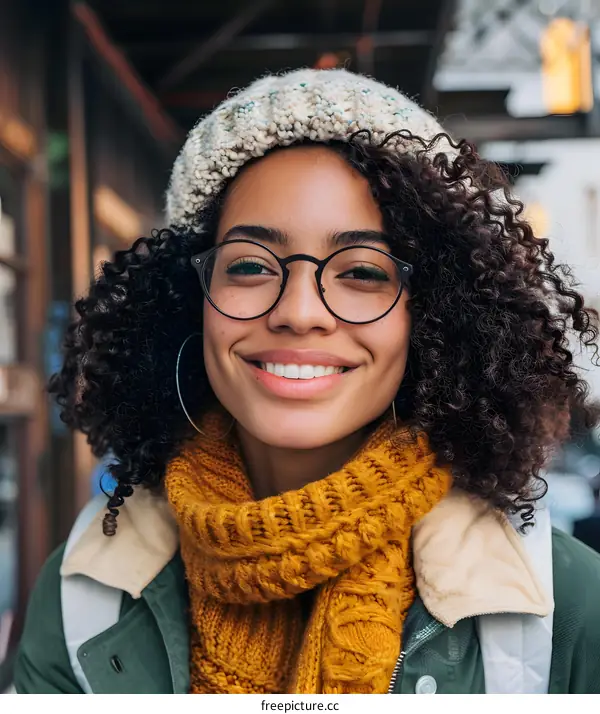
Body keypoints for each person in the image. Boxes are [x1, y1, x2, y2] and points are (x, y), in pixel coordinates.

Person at [14, 68, 600, 694]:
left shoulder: (562, 611)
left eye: (363, 272)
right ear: (194, 298)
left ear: (433, 316)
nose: (298, 310)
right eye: (249, 265)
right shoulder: (84, 595)